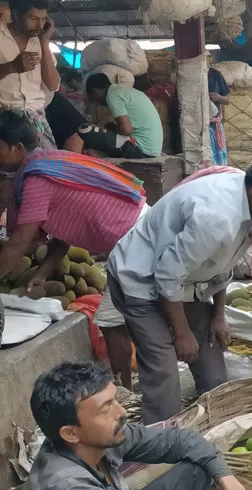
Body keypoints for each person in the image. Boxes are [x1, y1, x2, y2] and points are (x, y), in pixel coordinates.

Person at [107, 154, 252, 424]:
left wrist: (219, 315)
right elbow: (166, 275)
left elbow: (222, 267)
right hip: (139, 278)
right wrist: (181, 333)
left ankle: (215, 426)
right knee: (164, 374)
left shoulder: (249, 205)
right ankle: (159, 449)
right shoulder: (217, 219)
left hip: (186, 281)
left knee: (212, 358)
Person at [0, 110, 147, 390]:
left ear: (16, 149)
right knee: (123, 319)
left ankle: (126, 391)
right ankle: (129, 386)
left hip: (133, 239)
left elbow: (20, 242)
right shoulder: (47, 163)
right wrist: (43, 272)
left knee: (114, 320)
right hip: (135, 233)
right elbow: (63, 234)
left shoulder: (35, 179)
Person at [26, 361, 245, 490]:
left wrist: (227, 479)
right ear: (71, 433)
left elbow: (182, 441)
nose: (121, 412)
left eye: (115, 401)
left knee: (198, 469)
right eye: (106, 409)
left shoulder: (102, 437)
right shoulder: (67, 484)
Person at [0, 0, 59, 149]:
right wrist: (11, 67)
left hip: (36, 117)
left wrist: (44, 42)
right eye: (33, 19)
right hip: (5, 117)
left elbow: (52, 84)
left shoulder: (40, 41)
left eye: (43, 19)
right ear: (16, 14)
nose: (39, 25)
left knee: (47, 167)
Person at [84, 73, 163, 159]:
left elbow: (126, 131)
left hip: (141, 151)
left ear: (96, 91)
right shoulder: (128, 92)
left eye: (93, 98)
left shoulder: (113, 96)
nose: (96, 103)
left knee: (85, 130)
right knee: (110, 127)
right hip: (153, 150)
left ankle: (100, 156)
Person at [208, 67, 230, 166]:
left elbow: (227, 100)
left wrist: (218, 97)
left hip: (214, 125)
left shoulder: (215, 74)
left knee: (219, 158)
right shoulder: (189, 75)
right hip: (196, 127)